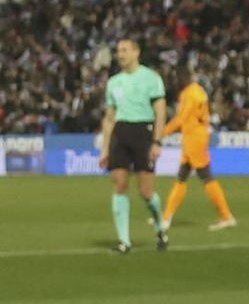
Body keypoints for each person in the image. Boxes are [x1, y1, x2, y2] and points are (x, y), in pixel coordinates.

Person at [100, 38, 169, 252]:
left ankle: (160, 228)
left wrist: (157, 141)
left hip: (143, 132)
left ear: (136, 52)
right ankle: (124, 241)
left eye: (124, 50)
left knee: (146, 192)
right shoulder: (113, 82)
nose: (120, 54)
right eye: (118, 50)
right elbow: (109, 118)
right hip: (121, 133)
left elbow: (160, 112)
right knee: (119, 185)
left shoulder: (152, 78)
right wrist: (105, 148)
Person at [161, 72, 237, 232]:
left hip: (194, 140)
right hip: (197, 137)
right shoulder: (199, 91)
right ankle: (166, 216)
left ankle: (226, 216)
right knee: (182, 177)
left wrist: (161, 133)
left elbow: (180, 119)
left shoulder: (188, 94)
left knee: (205, 177)